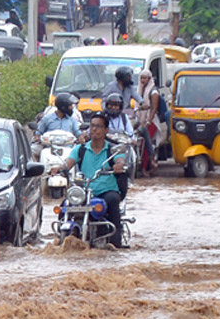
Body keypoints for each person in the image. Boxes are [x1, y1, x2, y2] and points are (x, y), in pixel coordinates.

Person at [52, 112, 130, 247]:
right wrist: (58, 168)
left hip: (106, 190)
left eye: (99, 126)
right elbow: (68, 163)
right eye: (92, 126)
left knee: (112, 201)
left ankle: (116, 242)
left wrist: (119, 165)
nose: (94, 129)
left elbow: (120, 159)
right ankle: (60, 238)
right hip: (85, 191)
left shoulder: (113, 149)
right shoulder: (80, 149)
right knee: (65, 205)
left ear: (106, 130)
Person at [133, 69, 160, 176]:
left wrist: (148, 122)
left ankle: (146, 167)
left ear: (149, 79)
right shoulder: (139, 90)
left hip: (151, 121)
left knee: (145, 144)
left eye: (145, 78)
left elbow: (154, 108)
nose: (143, 80)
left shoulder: (153, 92)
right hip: (141, 119)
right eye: (141, 78)